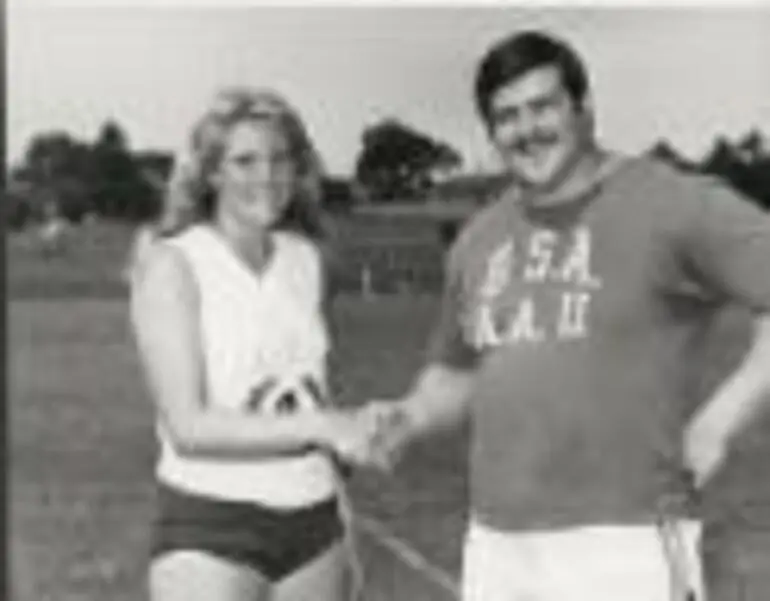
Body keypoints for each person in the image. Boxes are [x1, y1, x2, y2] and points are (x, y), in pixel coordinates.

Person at [365, 30, 770, 601]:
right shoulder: (479, 239)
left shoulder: (670, 203)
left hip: (626, 542)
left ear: (584, 110)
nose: (526, 130)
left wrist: (720, 421)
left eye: (543, 107)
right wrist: (407, 416)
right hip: (498, 545)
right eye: (506, 117)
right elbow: (457, 371)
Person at [129, 87, 378, 601]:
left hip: (315, 524)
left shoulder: (306, 260)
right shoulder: (173, 264)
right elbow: (188, 427)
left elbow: (310, 393)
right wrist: (323, 425)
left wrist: (347, 462)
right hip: (210, 526)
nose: (266, 175)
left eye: (280, 158)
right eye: (244, 160)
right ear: (212, 172)